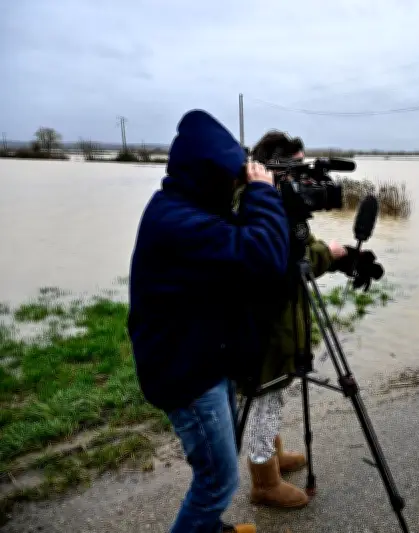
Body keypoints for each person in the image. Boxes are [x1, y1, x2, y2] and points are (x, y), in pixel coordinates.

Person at [128, 109, 290, 533]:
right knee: (217, 480)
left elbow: (245, 255)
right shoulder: (177, 221)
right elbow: (262, 259)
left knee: (219, 467)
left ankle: (208, 527)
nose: (238, 185)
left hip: (202, 356)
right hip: (187, 374)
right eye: (233, 178)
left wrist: (269, 200)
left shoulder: (187, 206)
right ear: (210, 175)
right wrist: (262, 194)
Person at [237, 130, 347, 509]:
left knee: (276, 391)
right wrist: (328, 254)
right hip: (266, 323)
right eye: (296, 169)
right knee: (265, 395)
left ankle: (272, 453)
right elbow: (284, 261)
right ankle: (264, 480)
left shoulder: (280, 205)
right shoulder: (254, 207)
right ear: (275, 170)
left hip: (283, 317)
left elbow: (302, 245)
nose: (304, 180)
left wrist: (328, 253)